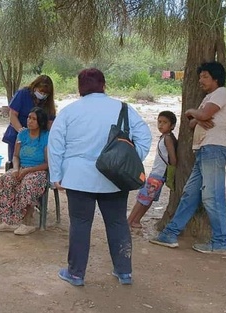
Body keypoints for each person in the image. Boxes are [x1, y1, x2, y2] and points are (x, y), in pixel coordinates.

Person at [48, 68, 151, 286]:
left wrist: (56, 176)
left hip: (78, 178)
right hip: (114, 178)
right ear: (103, 85)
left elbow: (55, 145)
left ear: (79, 87)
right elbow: (144, 136)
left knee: (80, 224)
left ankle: (76, 273)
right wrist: (129, 161)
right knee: (117, 223)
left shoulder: (69, 111)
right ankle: (124, 272)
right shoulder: (123, 108)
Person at [150, 61, 226, 255]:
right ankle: (169, 234)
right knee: (190, 195)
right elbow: (193, 124)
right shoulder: (209, 97)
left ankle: (221, 242)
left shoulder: (221, 93)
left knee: (212, 197)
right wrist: (198, 117)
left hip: (214, 149)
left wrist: (190, 111)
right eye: (200, 77)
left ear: (216, 78)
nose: (200, 81)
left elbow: (200, 116)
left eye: (205, 76)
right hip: (204, 151)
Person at [0, 107, 50, 236]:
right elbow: (15, 156)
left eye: (33, 119)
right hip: (22, 167)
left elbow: (47, 164)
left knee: (28, 183)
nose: (29, 121)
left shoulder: (46, 137)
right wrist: (15, 169)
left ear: (40, 122)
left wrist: (28, 171)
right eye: (29, 117)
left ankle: (27, 222)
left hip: (38, 170)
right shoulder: (22, 134)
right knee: (5, 179)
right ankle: (7, 220)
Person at [128, 111, 178, 228]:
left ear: (172, 126)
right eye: (159, 122)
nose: (161, 125)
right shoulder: (165, 137)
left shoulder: (167, 139)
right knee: (147, 199)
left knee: (142, 199)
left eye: (164, 122)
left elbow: (173, 158)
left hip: (157, 174)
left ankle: (129, 221)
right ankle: (135, 221)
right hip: (158, 174)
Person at [2, 75, 56, 162]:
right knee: (15, 161)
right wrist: (23, 133)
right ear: (34, 87)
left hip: (38, 141)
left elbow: (50, 122)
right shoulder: (23, 94)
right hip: (18, 134)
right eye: (40, 92)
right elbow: (13, 114)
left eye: (45, 94)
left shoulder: (48, 102)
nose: (42, 95)